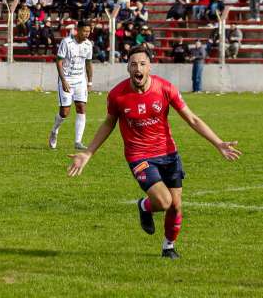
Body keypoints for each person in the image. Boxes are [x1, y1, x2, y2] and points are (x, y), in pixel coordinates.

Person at [67, 46, 242, 259]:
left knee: (176, 207)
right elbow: (108, 124)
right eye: (133, 64)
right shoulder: (117, 95)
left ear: (149, 67)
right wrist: (88, 153)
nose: (137, 68)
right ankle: (144, 205)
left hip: (168, 153)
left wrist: (218, 143)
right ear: (128, 68)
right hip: (139, 155)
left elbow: (193, 119)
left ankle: (168, 247)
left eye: (142, 64)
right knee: (164, 202)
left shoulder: (165, 89)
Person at [49, 21, 94, 150]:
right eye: (84, 31)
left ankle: (78, 142)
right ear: (78, 30)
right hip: (67, 79)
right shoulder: (66, 42)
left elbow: (89, 64)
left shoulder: (88, 45)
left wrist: (89, 82)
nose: (86, 34)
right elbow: (59, 61)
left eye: (88, 31)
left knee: (81, 108)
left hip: (80, 81)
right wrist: (63, 80)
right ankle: (54, 130)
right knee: (64, 112)